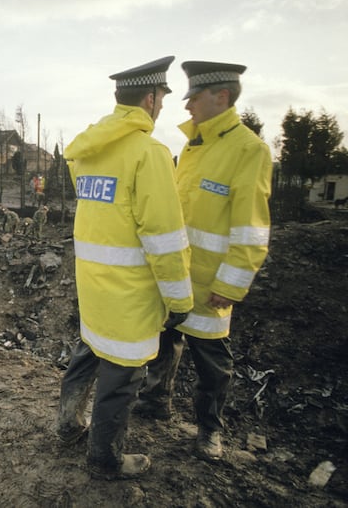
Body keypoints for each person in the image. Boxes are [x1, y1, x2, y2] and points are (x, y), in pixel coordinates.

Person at [56, 56, 193, 479]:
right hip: (130, 293)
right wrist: (180, 299)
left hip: (94, 285)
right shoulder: (149, 154)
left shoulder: (91, 150)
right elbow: (164, 238)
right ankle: (104, 460)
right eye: (163, 99)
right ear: (149, 99)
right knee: (122, 375)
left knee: (90, 349)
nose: (164, 107)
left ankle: (67, 424)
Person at [135, 61, 272, 463]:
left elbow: (252, 229)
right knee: (164, 343)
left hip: (210, 284)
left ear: (222, 97)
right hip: (176, 277)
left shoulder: (249, 150)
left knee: (212, 364)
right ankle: (156, 401)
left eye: (194, 98)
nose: (187, 106)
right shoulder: (194, 146)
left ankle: (209, 430)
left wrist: (229, 285)